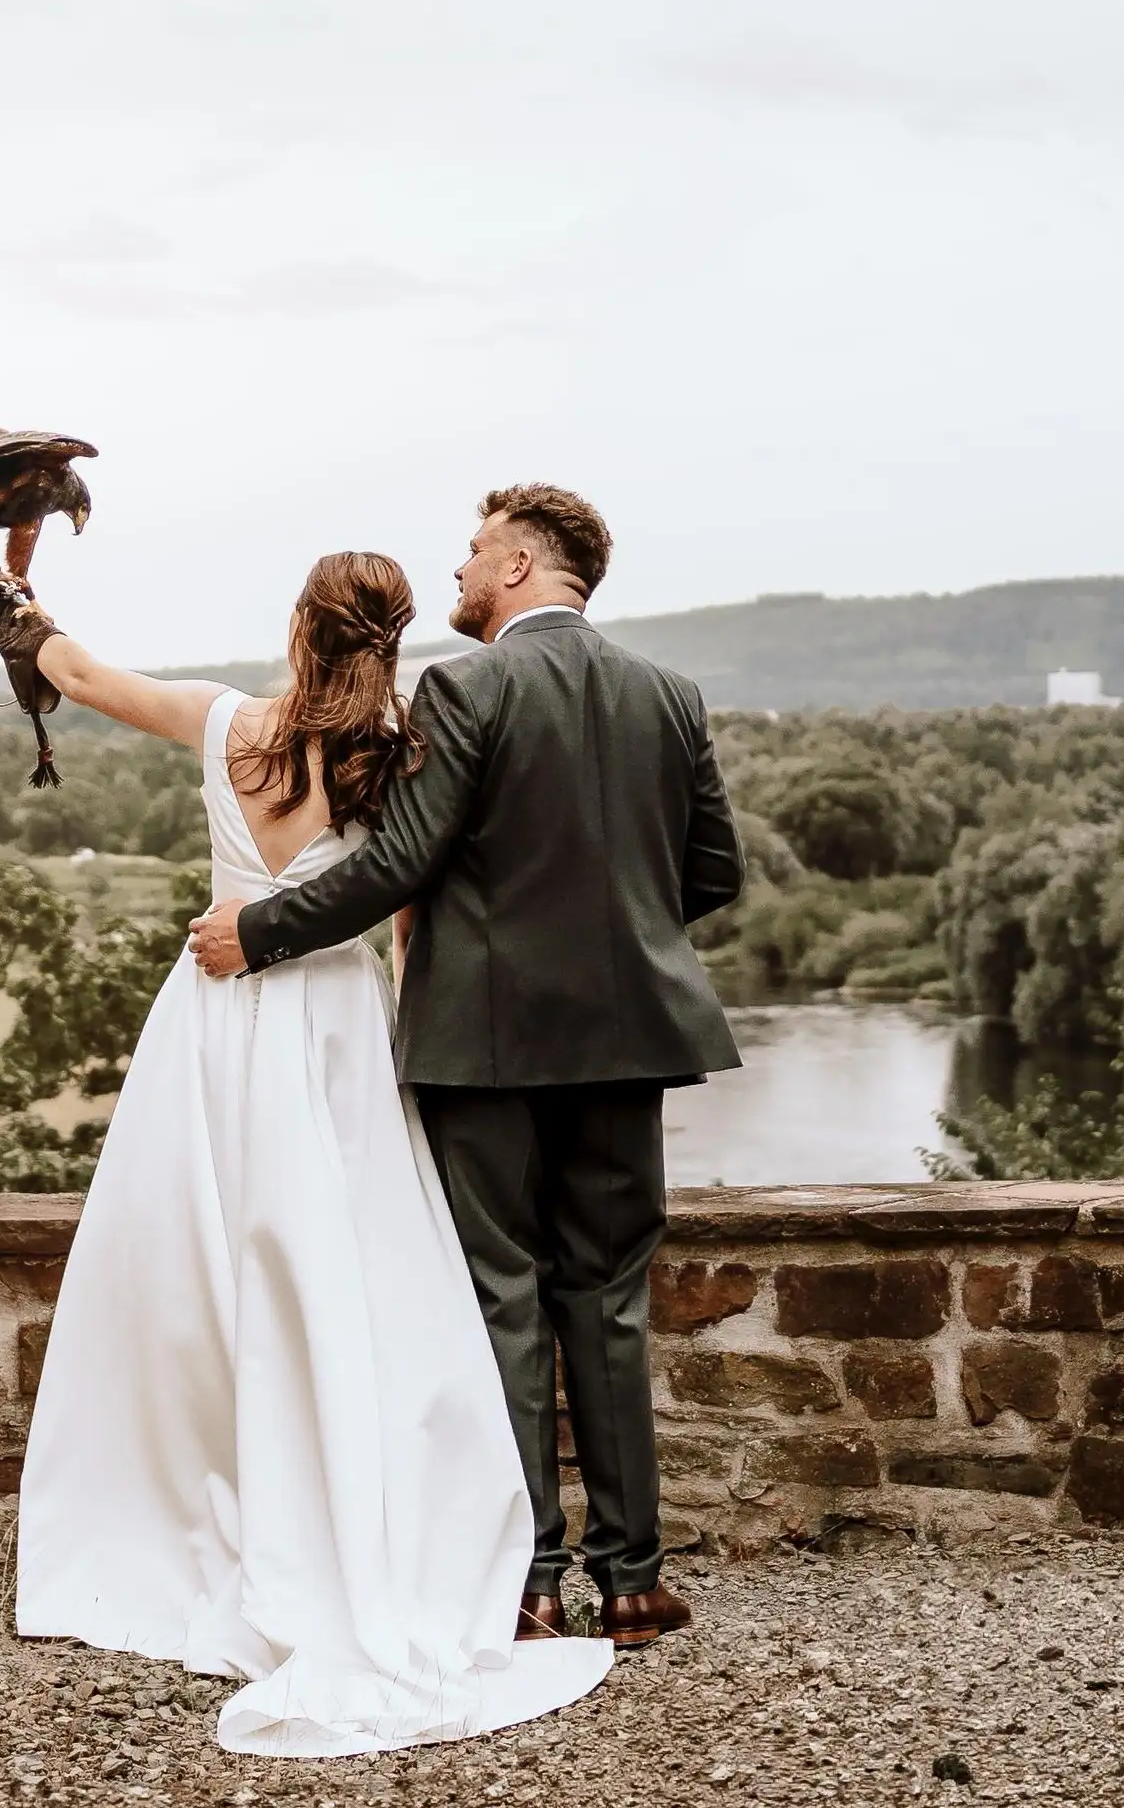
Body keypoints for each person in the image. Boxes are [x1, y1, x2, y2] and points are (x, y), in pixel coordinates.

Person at [0, 550, 616, 1756]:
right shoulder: (401, 753)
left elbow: (77, 671)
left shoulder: (228, 723)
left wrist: (16, 604)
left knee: (202, 1263)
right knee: (353, 1263)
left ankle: (187, 1500)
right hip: (331, 1021)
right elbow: (413, 902)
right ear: (390, 641)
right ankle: (349, 1491)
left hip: (213, 1018)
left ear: (296, 626)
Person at [196, 483, 742, 1650]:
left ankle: (531, 1578)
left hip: (486, 1046)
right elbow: (710, 874)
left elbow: (399, 857)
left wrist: (263, 930)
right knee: (607, 1300)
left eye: (476, 551)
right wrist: (620, 927)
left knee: (501, 1297)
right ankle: (635, 1580)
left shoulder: (469, 685)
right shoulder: (669, 692)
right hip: (628, 1041)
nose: (459, 568)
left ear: (521, 568)